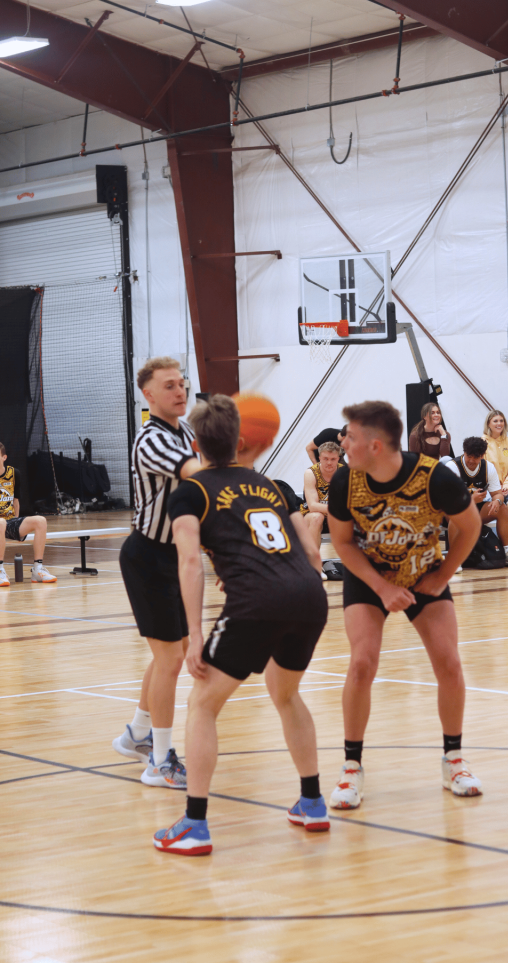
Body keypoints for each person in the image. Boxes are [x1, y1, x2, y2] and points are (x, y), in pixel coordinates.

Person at [153, 394, 329, 856]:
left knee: (203, 705)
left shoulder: (190, 492)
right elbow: (311, 551)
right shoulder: (268, 483)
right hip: (310, 596)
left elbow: (190, 562)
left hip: (257, 601)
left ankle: (194, 823)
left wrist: (194, 636)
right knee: (286, 693)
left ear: (195, 442)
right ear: (240, 441)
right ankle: (312, 801)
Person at [327, 400, 484, 811]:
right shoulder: (346, 481)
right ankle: (351, 766)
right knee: (362, 662)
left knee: (449, 662)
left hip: (423, 572)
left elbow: (471, 526)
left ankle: (454, 759)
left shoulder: (434, 478)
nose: (343, 442)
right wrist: (380, 587)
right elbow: (343, 543)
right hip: (368, 579)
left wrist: (443, 574)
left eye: (351, 436)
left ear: (376, 445)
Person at [112, 357, 201, 788]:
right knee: (170, 658)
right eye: (169, 386)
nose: (180, 391)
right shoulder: (151, 439)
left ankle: (138, 734)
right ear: (148, 396)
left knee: (174, 653)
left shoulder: (184, 431)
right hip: (147, 556)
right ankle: (160, 762)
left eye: (182, 384)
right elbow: (194, 475)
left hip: (175, 553)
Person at [445, 437, 508, 567]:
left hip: (473, 511)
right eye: (469, 456)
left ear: (482, 456)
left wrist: (497, 501)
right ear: (464, 452)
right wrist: (471, 500)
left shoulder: (488, 468)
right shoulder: (452, 467)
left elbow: (498, 494)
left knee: (502, 508)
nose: (471, 460)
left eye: (476, 457)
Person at [0, 442, 56, 586]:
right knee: (0, 522)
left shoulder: (14, 474)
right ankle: (0, 569)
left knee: (40, 520)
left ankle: (37, 570)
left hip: (8, 521)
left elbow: (16, 501)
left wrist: (16, 526)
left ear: (4, 457)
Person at [300, 441, 344, 562]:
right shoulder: (311, 473)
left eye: (333, 459)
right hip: (311, 515)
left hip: (336, 515)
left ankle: (360, 566)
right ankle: (314, 564)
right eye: (325, 459)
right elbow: (313, 506)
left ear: (338, 458)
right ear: (319, 458)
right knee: (317, 517)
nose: (329, 462)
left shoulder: (345, 472)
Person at [483, 410, 508, 503]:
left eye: (501, 421)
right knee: (487, 501)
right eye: (495, 421)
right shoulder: (483, 442)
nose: (499, 423)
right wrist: (496, 488)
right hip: (489, 489)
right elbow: (482, 470)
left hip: (507, 487)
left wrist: (506, 486)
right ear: (488, 423)